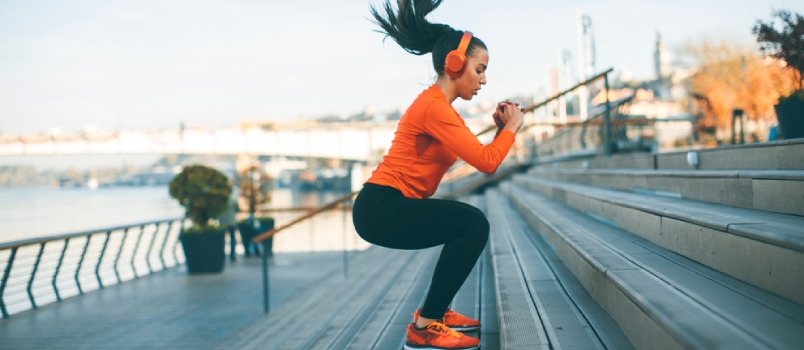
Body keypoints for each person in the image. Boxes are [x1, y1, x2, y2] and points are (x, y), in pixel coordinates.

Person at [352, 1, 524, 349]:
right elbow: (489, 163)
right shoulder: (434, 107)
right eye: (479, 69)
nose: (484, 79)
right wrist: (513, 128)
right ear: (454, 64)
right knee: (473, 224)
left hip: (385, 205)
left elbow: (482, 156)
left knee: (466, 224)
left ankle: (436, 314)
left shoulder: (439, 109)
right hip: (381, 207)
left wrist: (499, 133)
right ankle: (426, 325)